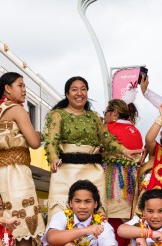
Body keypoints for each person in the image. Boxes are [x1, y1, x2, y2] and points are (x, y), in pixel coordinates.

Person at [43, 77, 141, 218]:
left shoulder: (94, 117)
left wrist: (125, 151)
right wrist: (53, 158)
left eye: (83, 89)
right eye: (74, 89)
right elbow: (51, 140)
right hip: (66, 171)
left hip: (93, 171)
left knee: (96, 215)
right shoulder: (58, 115)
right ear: (67, 94)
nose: (79, 93)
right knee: (62, 214)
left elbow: (107, 140)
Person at [0, 72, 45, 246]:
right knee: (22, 221)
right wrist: (41, 135)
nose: (24, 90)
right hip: (15, 172)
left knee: (1, 217)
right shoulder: (16, 109)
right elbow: (34, 142)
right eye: (20, 85)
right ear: (7, 89)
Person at [13, 180, 119, 246]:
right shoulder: (62, 216)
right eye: (78, 201)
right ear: (71, 203)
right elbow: (52, 238)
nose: (82, 206)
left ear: (95, 204)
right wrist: (86, 230)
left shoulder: (102, 224)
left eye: (87, 201)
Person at [103, 98, 144, 246]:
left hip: (112, 179)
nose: (104, 116)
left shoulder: (109, 128)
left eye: (105, 112)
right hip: (132, 180)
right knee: (127, 221)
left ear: (114, 112)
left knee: (110, 220)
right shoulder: (135, 131)